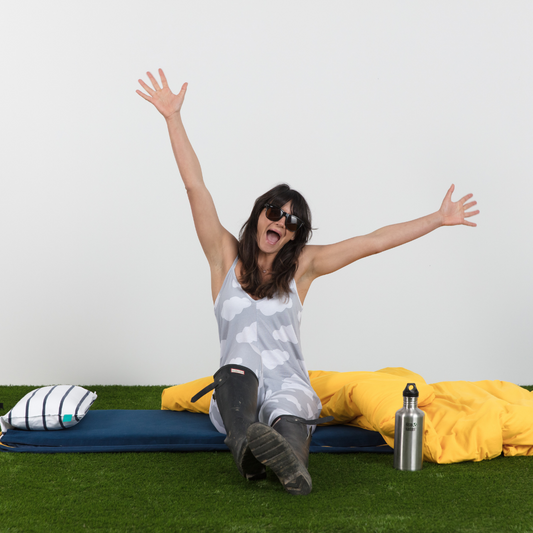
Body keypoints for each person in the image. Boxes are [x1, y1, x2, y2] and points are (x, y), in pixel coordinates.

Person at [136, 69, 479, 495]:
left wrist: (438, 219)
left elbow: (371, 242)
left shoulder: (302, 267)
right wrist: (173, 118)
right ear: (260, 214)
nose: (281, 221)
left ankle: (292, 464)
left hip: (287, 384)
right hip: (236, 390)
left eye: (292, 221)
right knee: (236, 371)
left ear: (296, 234)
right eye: (275, 212)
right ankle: (246, 445)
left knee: (289, 409)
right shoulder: (223, 256)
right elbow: (195, 187)